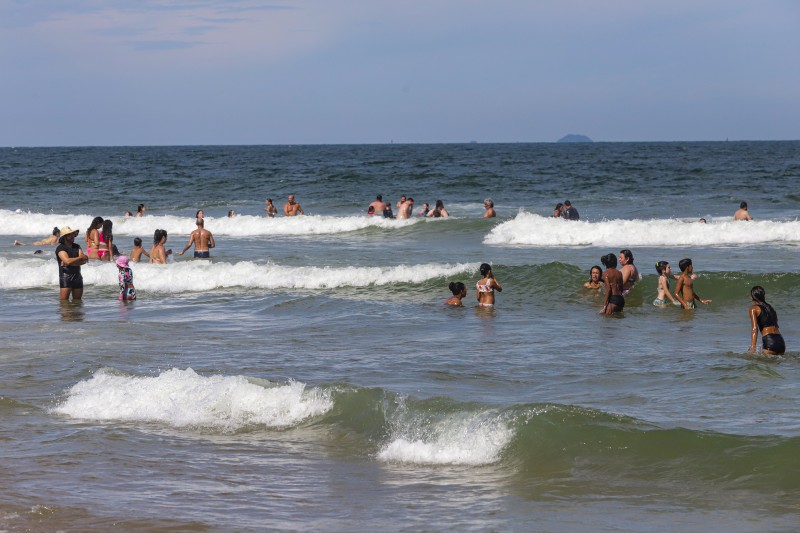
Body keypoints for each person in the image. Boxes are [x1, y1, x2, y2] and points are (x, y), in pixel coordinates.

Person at [748, 286, 785, 355]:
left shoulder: (753, 309)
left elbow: (754, 329)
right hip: (781, 342)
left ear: (752, 297)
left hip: (769, 341)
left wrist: (753, 347)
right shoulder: (770, 308)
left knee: (761, 364)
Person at [55, 226, 87, 301]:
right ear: (64, 237)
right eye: (70, 235)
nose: (73, 236)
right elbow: (67, 261)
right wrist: (79, 258)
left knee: (78, 302)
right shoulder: (60, 248)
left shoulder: (77, 246)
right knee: (64, 302)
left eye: (73, 234)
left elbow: (84, 261)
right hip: (66, 276)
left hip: (77, 276)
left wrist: (71, 263)